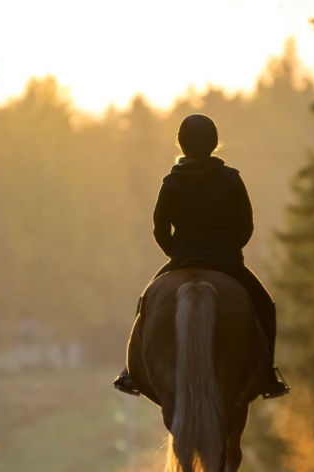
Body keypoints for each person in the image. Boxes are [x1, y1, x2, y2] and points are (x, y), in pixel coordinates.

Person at [113, 113, 290, 400]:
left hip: (182, 260)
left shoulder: (170, 182)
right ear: (214, 143)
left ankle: (131, 372)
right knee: (265, 305)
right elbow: (246, 225)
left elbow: (159, 229)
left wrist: (177, 254)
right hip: (227, 261)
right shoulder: (232, 180)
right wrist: (230, 251)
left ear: (182, 145)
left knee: (145, 303)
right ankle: (269, 375)